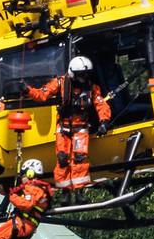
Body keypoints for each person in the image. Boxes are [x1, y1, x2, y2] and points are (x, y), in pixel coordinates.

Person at [24, 55, 112, 190]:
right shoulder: (60, 83)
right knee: (62, 158)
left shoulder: (92, 88)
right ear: (73, 73)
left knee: (80, 159)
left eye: (86, 74)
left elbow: (101, 104)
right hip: (63, 128)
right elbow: (42, 95)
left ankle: (79, 190)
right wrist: (27, 90)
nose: (84, 77)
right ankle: (64, 190)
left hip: (81, 127)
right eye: (81, 74)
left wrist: (104, 122)